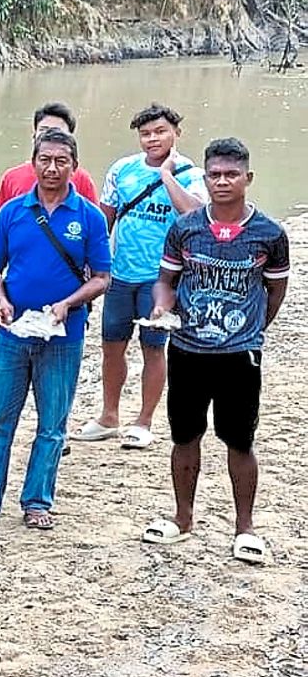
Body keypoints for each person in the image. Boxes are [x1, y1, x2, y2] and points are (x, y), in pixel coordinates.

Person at [0, 130, 111, 531]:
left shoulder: (88, 217)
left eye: (61, 161)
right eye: (45, 160)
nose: (52, 168)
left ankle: (37, 502)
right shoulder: (13, 212)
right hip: (13, 333)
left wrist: (69, 304)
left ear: (74, 166)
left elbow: (103, 277)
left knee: (52, 424)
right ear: (33, 162)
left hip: (63, 336)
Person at [141, 138, 289, 564]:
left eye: (231, 174)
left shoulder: (270, 233)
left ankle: (245, 528)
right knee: (185, 436)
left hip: (239, 354)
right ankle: (182, 519)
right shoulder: (186, 227)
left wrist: (254, 328)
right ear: (204, 178)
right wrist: (161, 306)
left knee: (240, 440)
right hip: (186, 349)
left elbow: (276, 290)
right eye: (214, 175)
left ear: (248, 178)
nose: (222, 181)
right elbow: (166, 280)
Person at [76, 103, 207, 449]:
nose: (152, 139)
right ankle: (109, 416)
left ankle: (144, 421)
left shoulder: (191, 174)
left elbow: (195, 213)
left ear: (176, 133)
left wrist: (166, 175)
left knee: (153, 348)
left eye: (160, 132)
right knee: (111, 346)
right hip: (120, 274)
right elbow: (104, 218)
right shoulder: (122, 169)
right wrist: (90, 264)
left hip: (161, 278)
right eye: (146, 133)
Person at [0, 101, 99, 210]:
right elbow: (1, 222)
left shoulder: (83, 180)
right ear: (34, 134)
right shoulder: (12, 178)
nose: (49, 136)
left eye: (57, 131)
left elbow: (93, 220)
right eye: (44, 130)